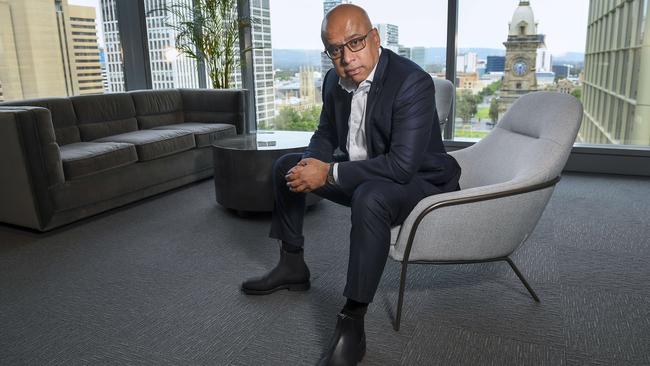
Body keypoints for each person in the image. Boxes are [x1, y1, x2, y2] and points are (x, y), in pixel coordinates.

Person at [242, 4, 461, 365]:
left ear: (375, 38)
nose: (346, 57)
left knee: (370, 196)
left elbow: (401, 166)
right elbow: (326, 133)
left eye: (355, 42)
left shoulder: (412, 82)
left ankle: (352, 322)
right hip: (363, 171)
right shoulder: (333, 80)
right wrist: (311, 164)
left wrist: (326, 174)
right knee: (287, 166)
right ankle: (292, 264)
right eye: (335, 49)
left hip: (421, 182)